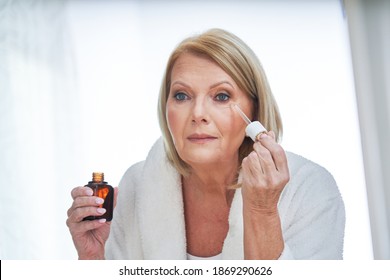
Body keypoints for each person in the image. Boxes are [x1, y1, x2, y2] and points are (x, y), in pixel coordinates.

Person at [66, 28, 345, 260]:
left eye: (221, 96)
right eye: (182, 96)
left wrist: (262, 211)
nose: (198, 113)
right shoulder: (138, 186)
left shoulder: (310, 190)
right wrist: (95, 259)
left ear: (255, 111)